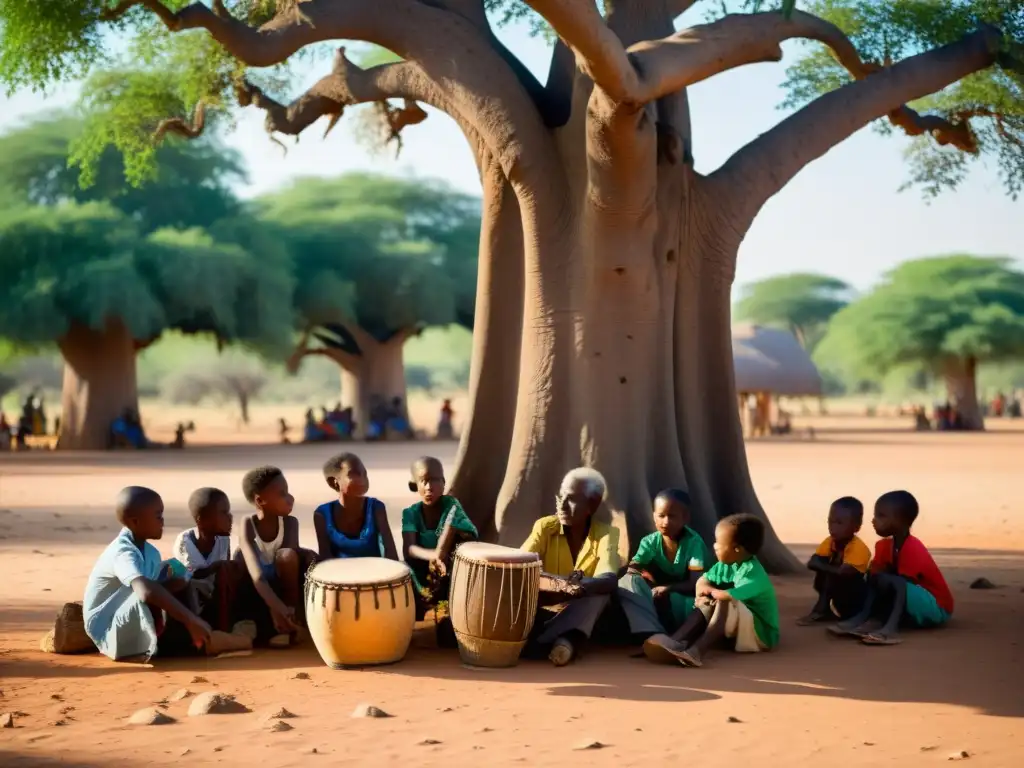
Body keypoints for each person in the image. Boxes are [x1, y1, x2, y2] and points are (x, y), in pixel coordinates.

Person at [83, 487, 224, 662]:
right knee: (152, 592)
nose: (162, 521)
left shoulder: (151, 552)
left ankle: (190, 642)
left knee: (178, 582)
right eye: (158, 516)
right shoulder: (123, 553)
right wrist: (190, 620)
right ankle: (192, 637)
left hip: (128, 615)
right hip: (108, 630)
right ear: (135, 522)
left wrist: (179, 582)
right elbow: (145, 592)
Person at [643, 514, 780, 667]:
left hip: (761, 635)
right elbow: (703, 579)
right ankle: (676, 641)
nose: (714, 546)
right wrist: (704, 591)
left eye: (719, 543)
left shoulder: (754, 574)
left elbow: (729, 595)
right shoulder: (725, 564)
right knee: (710, 600)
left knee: (722, 601)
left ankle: (696, 652)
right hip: (740, 629)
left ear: (737, 549)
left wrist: (711, 593)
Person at [522, 467, 622, 667]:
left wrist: (580, 586)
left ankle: (552, 642)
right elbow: (521, 565)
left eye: (572, 499)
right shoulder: (545, 527)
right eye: (561, 496)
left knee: (601, 596)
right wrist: (561, 585)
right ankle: (566, 641)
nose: (563, 505)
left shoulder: (606, 534)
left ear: (592, 506)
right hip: (543, 609)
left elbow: (609, 578)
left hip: (580, 609)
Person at [828, 490, 953, 645]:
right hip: (911, 602)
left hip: (936, 607)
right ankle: (866, 618)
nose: (874, 521)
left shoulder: (913, 547)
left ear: (900, 521)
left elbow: (903, 585)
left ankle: (890, 629)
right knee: (874, 577)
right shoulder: (883, 546)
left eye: (881, 516)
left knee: (897, 582)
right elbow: (876, 575)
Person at [236, 466, 315, 647]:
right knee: (240, 558)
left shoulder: (290, 523)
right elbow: (257, 577)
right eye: (282, 493)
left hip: (283, 590)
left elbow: (289, 565)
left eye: (288, 492)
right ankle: (264, 624)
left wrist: (287, 609)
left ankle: (293, 621)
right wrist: (277, 609)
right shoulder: (248, 524)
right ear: (260, 500)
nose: (290, 498)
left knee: (289, 555)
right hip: (256, 588)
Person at [617, 489, 709, 640]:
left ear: (685, 517)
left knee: (691, 606)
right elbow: (634, 567)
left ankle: (663, 636)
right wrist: (638, 575)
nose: (665, 522)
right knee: (627, 581)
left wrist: (667, 589)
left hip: (686, 596)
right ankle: (651, 632)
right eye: (661, 516)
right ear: (654, 516)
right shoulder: (649, 542)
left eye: (672, 516)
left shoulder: (693, 543)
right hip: (659, 593)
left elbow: (695, 583)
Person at [401, 456, 478, 618]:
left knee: (447, 585)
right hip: (422, 570)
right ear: (414, 485)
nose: (429, 487)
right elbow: (410, 548)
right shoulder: (411, 514)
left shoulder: (451, 505)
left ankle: (445, 613)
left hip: (447, 568)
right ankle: (418, 611)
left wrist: (439, 555)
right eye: (423, 481)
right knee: (407, 571)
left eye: (434, 480)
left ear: (443, 483)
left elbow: (450, 529)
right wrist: (433, 556)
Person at [173, 488, 248, 633]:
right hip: (191, 598)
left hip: (213, 594)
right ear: (201, 520)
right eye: (223, 513)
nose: (230, 517)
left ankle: (227, 626)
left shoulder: (223, 540)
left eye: (229, 512)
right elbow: (191, 574)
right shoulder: (186, 541)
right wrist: (216, 567)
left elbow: (223, 573)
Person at [797, 496, 871, 625]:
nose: (833, 527)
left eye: (839, 523)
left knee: (831, 572)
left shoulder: (859, 548)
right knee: (826, 573)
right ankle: (825, 610)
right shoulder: (830, 542)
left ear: (856, 527)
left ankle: (824, 610)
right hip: (838, 591)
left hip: (856, 597)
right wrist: (825, 566)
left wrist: (823, 566)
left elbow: (845, 573)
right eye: (830, 522)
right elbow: (812, 563)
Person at [314, 453, 399, 561]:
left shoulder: (376, 508)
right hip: (339, 574)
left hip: (375, 574)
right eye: (353, 474)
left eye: (364, 473)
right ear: (334, 482)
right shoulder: (322, 514)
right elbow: (325, 559)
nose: (362, 478)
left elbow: (391, 553)